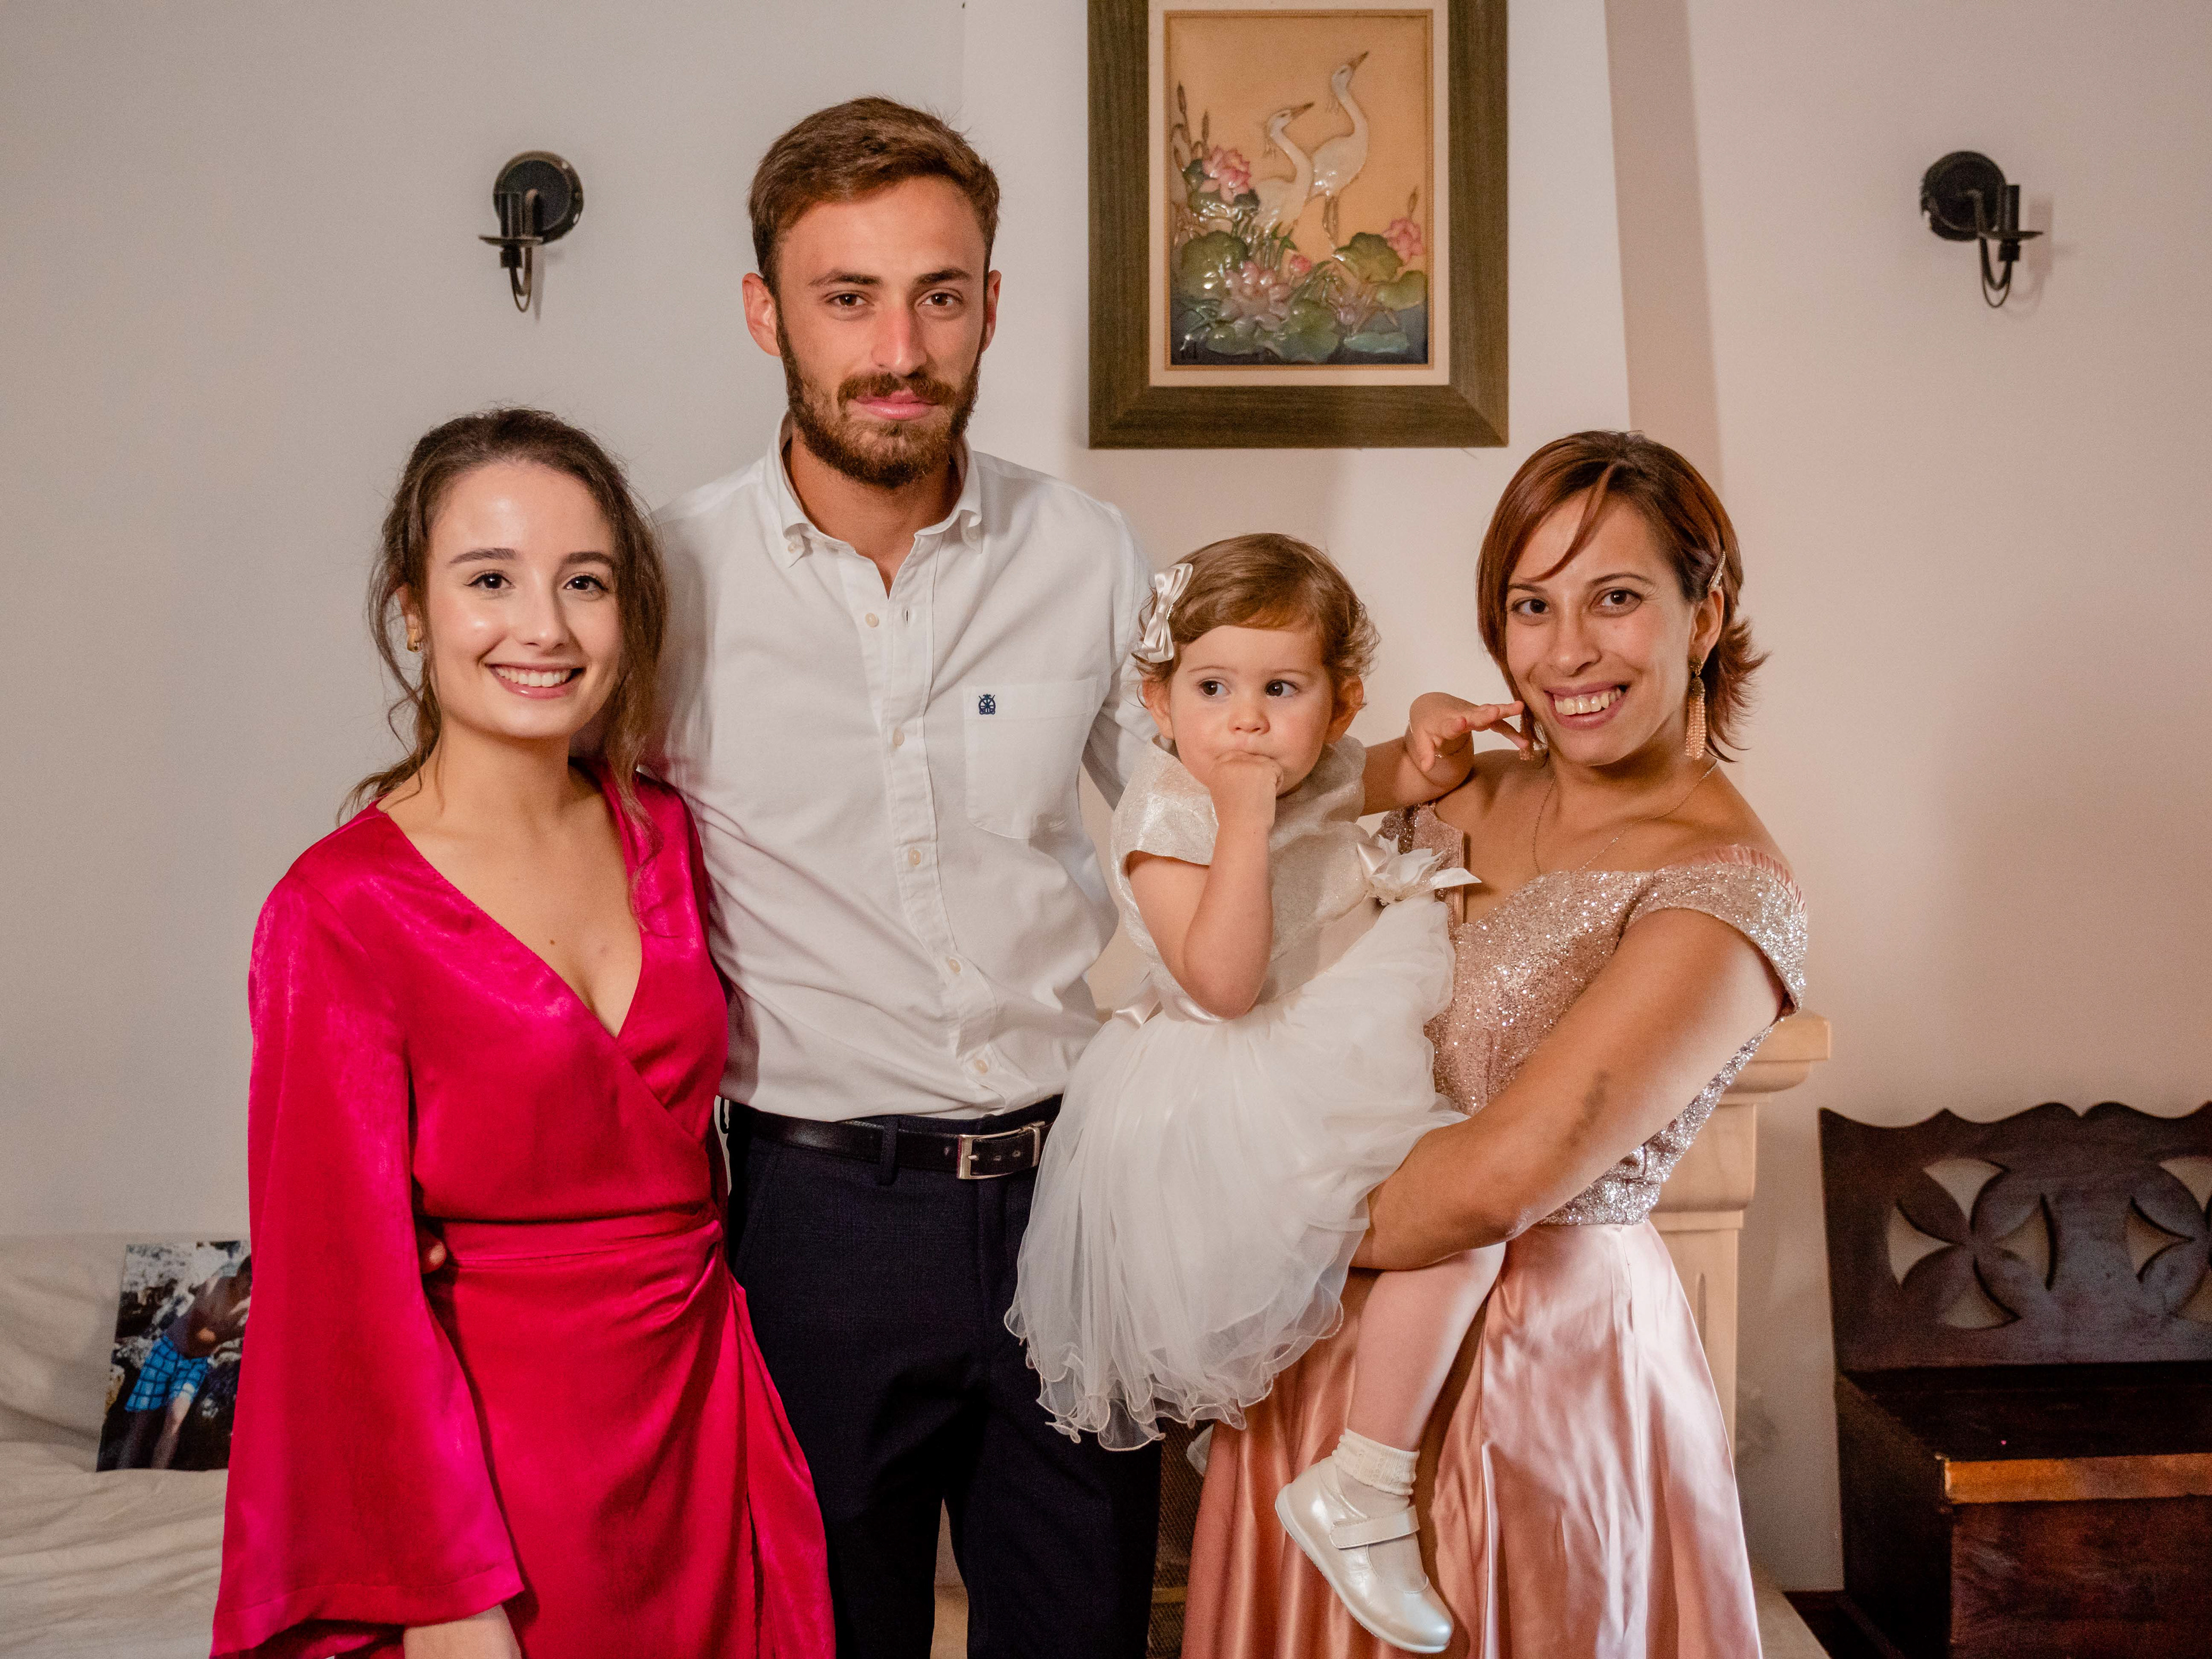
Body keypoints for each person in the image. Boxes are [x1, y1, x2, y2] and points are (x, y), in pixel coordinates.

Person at [653, 99, 1490, 1659]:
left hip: (1078, 1190)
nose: (898, 348)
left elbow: (1220, 786)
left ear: (988, 303)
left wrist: (1402, 768)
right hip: (812, 1221)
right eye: (847, 297)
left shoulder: (1086, 552)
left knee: (1086, 1633)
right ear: (766, 312)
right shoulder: (667, 581)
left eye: (938, 295)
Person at [213, 409, 832, 1659]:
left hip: (704, 1429)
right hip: (495, 1482)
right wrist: (441, 1591)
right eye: (490, 580)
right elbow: (337, 1291)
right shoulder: (338, 912)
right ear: (412, 610)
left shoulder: (669, 832)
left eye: (584, 582)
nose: (543, 626)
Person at [1184, 431, 1807, 1659]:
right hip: (1323, 1363)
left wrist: (1232, 1219)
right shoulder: (1462, 788)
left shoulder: (1725, 891)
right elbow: (1255, 870)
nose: (1566, 652)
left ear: (1705, 615)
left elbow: (1496, 1179)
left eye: (1615, 599)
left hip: (1539, 1382)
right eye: (1532, 606)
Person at [1007, 536, 1530, 1654]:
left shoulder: (1325, 768)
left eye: (1281, 691)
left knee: (1459, 1233)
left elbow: (1411, 777)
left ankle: (1351, 1477)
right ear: (1159, 703)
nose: (1246, 723)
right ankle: (1369, 1487)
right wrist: (1243, 820)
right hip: (1232, 1092)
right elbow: (1226, 982)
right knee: (1462, 1230)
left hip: (1330, 1052)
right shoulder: (1164, 816)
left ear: (1338, 706)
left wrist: (1431, 733)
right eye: (1213, 690)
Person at [115, 1255, 250, 1469]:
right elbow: (196, 1338)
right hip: (168, 1350)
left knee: (175, 1419)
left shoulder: (252, 1302)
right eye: (250, 1279)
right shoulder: (213, 1288)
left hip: (196, 1363)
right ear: (239, 1273)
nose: (251, 1287)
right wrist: (237, 1332)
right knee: (142, 1423)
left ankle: (155, 1481)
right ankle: (119, 1477)